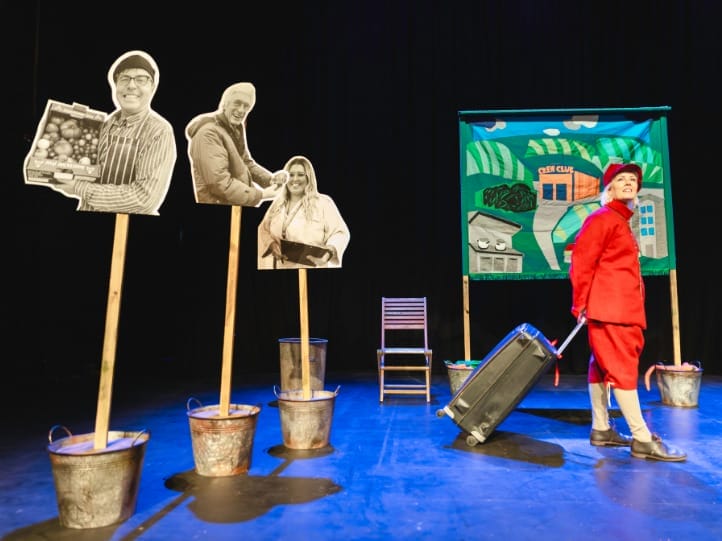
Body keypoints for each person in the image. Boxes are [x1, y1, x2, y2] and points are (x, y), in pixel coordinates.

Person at [570, 162, 686, 462]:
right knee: (622, 370)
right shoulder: (602, 218)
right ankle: (642, 438)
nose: (628, 182)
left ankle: (601, 428)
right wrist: (580, 303)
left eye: (632, 179)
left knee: (601, 365)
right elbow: (582, 262)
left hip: (617, 308)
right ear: (609, 189)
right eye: (621, 179)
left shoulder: (619, 221)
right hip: (612, 311)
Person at [52, 50, 176, 215]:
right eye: (124, 78)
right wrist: (62, 170)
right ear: (115, 85)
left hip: (125, 225)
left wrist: (78, 187)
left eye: (141, 79)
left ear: (152, 87)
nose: (131, 85)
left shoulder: (159, 131)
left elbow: (144, 199)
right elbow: (87, 171)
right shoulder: (103, 125)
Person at [186, 82, 287, 206]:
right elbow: (219, 183)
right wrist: (261, 195)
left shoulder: (234, 129)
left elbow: (245, 163)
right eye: (237, 103)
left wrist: (270, 180)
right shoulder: (208, 134)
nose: (241, 110)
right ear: (225, 104)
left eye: (246, 106)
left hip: (237, 204)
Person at [258, 155, 349, 269]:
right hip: (279, 268)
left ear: (309, 178)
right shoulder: (277, 204)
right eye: (291, 175)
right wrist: (271, 244)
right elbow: (263, 229)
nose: (295, 179)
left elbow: (340, 233)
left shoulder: (323, 203)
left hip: (311, 268)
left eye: (300, 174)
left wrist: (327, 254)